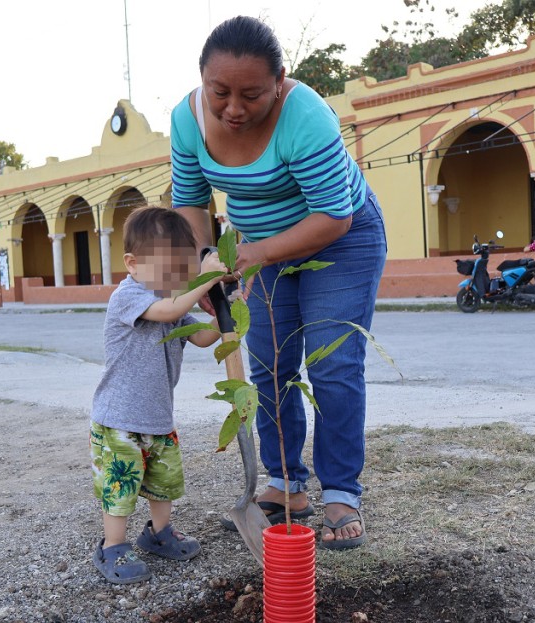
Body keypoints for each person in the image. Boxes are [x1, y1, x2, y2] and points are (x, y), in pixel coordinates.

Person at [170, 16, 387, 550]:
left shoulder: (306, 115)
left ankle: (340, 491)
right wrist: (206, 258)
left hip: (341, 239)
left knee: (332, 363)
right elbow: (190, 199)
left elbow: (333, 216)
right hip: (257, 251)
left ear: (280, 81)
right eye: (220, 92)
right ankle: (284, 484)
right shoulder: (187, 119)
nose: (234, 109)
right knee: (268, 366)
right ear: (203, 81)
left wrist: (254, 253)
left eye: (252, 94)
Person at [89, 206, 224, 584]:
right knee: (121, 486)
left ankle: (158, 533)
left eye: (181, 271)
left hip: (158, 416)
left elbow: (200, 337)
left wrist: (226, 317)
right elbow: (168, 311)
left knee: (163, 482)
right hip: (119, 420)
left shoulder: (171, 300)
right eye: (167, 271)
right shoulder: (129, 296)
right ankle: (112, 545)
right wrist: (206, 276)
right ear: (132, 264)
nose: (175, 279)